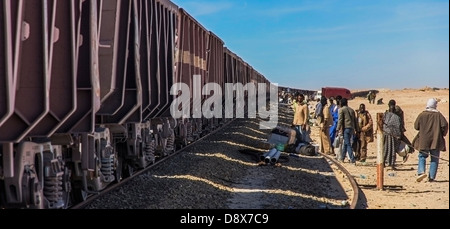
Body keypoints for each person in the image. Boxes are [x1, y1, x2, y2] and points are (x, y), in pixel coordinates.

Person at [413, 98, 448, 182]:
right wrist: (441, 134)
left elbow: (416, 126)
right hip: (435, 141)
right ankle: (431, 177)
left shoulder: (422, 115)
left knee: (422, 156)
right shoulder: (438, 115)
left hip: (423, 140)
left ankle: (421, 172)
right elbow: (445, 125)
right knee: (434, 158)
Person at [337, 98, 359, 163]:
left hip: (346, 128)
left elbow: (340, 120)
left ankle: (352, 159)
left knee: (348, 144)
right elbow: (355, 121)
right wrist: (357, 129)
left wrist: (337, 129)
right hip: (351, 129)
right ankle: (342, 158)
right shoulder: (352, 110)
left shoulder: (341, 110)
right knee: (346, 143)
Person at [382, 103, 402, 170]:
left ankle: (386, 163)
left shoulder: (384, 115)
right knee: (391, 150)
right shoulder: (396, 117)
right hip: (390, 135)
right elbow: (398, 127)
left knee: (386, 149)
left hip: (387, 135)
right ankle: (391, 164)